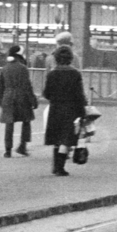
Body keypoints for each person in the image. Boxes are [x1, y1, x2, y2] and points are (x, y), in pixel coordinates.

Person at [42, 44, 88, 177]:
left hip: (55, 109)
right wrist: (82, 112)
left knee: (57, 138)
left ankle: (55, 167)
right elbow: (79, 95)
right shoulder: (75, 74)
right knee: (66, 139)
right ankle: (60, 168)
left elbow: (46, 94)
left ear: (56, 58)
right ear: (70, 58)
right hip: (71, 110)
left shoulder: (52, 74)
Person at [0, 44, 37, 158]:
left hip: (8, 97)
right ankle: (22, 146)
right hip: (22, 97)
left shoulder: (5, 68)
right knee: (26, 121)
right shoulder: (23, 68)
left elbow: (0, 87)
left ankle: (8, 150)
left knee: (9, 123)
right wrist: (33, 100)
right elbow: (27, 86)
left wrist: (0, 100)